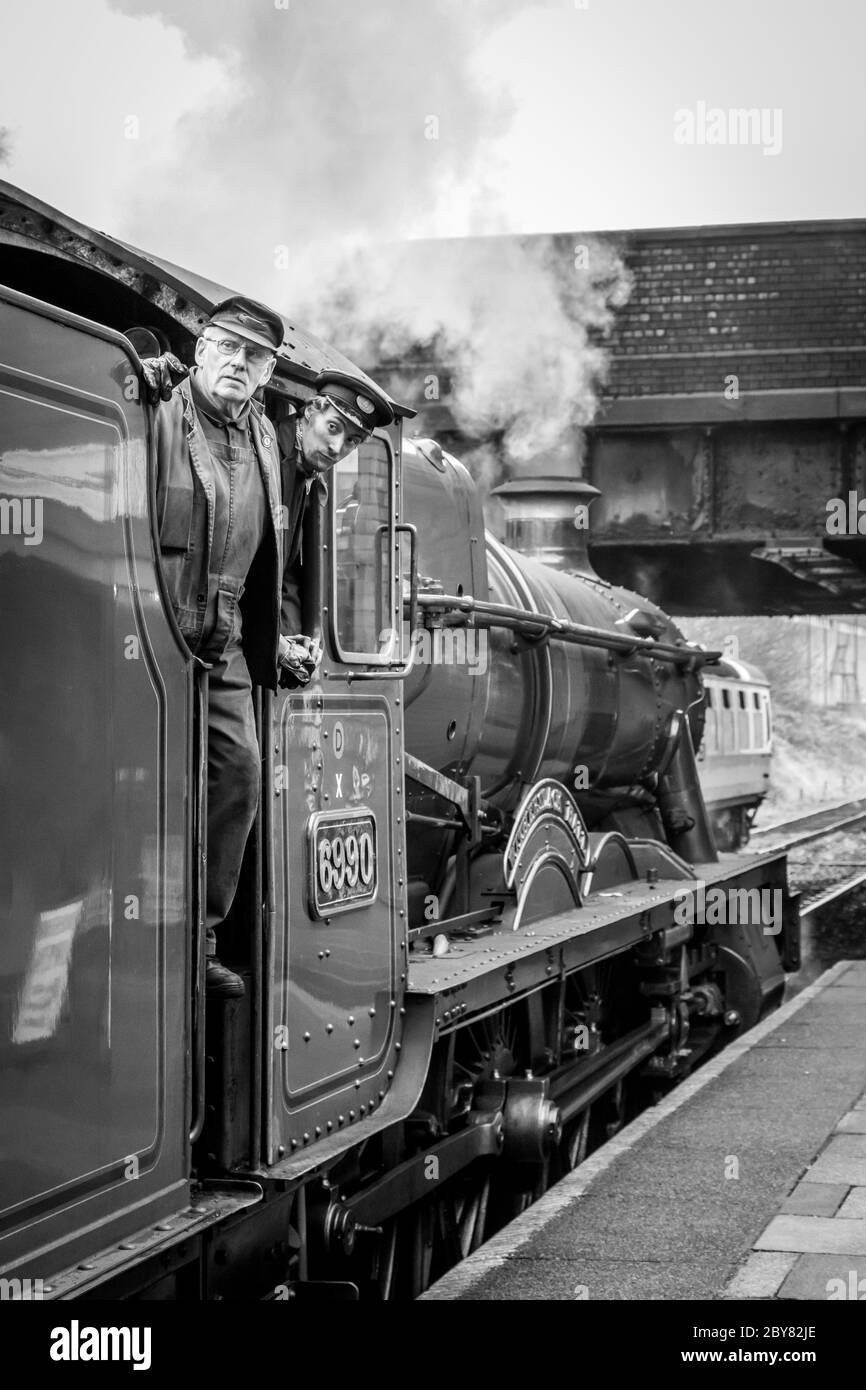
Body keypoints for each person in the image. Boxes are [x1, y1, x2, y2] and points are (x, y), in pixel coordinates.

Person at [141, 296, 285, 998]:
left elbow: (266, 557)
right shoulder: (161, 410)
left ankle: (198, 936)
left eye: (254, 355)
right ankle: (139, 933)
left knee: (240, 774)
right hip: (158, 620)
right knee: (147, 777)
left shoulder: (264, 440)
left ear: (267, 372)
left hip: (223, 636)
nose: (238, 362)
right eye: (227, 346)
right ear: (201, 349)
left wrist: (272, 640)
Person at [277, 370, 394, 666]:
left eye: (352, 441)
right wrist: (275, 644)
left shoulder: (310, 479)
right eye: (333, 427)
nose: (336, 447)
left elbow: (288, 574)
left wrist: (297, 640)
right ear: (311, 411)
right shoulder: (268, 459)